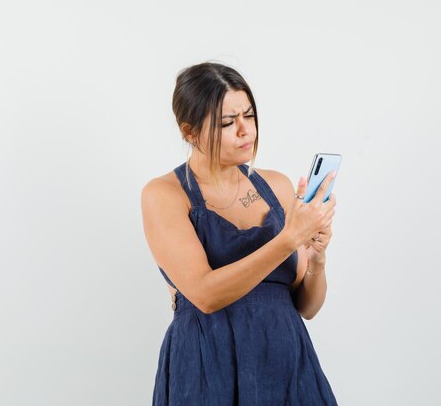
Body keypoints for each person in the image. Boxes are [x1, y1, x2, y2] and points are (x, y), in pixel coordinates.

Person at [141, 62, 339, 406]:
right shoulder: (164, 194)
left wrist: (317, 258)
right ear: (189, 132)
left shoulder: (276, 186)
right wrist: (289, 239)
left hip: (287, 364)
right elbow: (204, 294)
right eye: (227, 123)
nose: (246, 131)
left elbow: (306, 307)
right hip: (207, 367)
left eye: (249, 116)